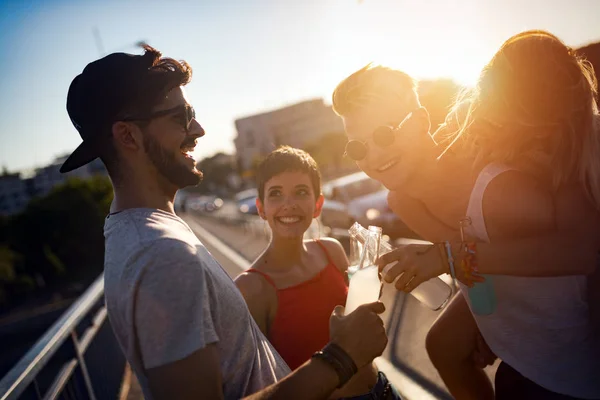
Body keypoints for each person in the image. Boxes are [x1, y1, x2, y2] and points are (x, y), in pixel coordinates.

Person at [61, 45, 388, 400]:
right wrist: (340, 358)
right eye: (180, 116)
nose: (198, 129)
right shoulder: (161, 256)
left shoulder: (144, 230)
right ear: (128, 136)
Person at [332, 30, 600, 399]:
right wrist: (488, 321)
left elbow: (576, 252)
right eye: (358, 146)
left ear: (422, 119)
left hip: (567, 347)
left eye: (384, 134)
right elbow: (475, 274)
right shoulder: (404, 202)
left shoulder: (496, 176)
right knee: (443, 345)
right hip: (525, 328)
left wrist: (445, 258)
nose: (373, 155)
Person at [235, 146, 400, 399]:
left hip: (383, 389)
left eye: (301, 192)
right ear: (261, 208)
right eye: (276, 194)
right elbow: (259, 384)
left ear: (318, 205)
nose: (288, 205)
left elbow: (356, 321)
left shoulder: (331, 250)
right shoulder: (251, 288)